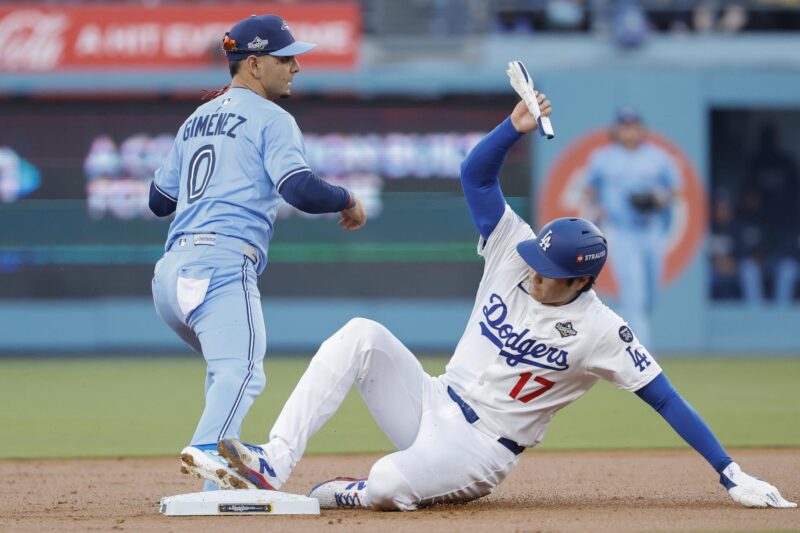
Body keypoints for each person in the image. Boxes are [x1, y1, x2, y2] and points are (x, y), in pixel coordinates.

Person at [211, 91, 792, 511]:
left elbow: (667, 401)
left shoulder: (600, 330)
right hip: (433, 398)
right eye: (537, 262)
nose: (534, 274)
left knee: (388, 481)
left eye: (549, 273)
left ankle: (360, 493)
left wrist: (730, 473)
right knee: (360, 332)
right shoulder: (517, 250)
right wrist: (512, 127)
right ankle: (274, 461)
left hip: (481, 448)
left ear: (580, 282)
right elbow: (476, 177)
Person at [149, 14, 367, 491]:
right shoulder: (272, 119)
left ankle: (215, 489)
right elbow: (301, 190)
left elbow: (159, 201)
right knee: (243, 374)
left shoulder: (195, 119)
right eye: (284, 58)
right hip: (222, 266)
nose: (295, 67)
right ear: (252, 64)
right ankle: (207, 452)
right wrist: (348, 199)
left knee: (224, 376)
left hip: (169, 277)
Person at [584, 107, 681, 345]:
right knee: (634, 296)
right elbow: (589, 190)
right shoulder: (603, 157)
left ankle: (618, 327)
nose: (629, 131)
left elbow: (674, 191)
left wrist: (659, 199)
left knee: (649, 297)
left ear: (642, 128)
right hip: (622, 231)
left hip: (651, 230)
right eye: (624, 126)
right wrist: (598, 208)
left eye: (633, 125)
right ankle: (642, 355)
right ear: (616, 129)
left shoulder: (657, 156)